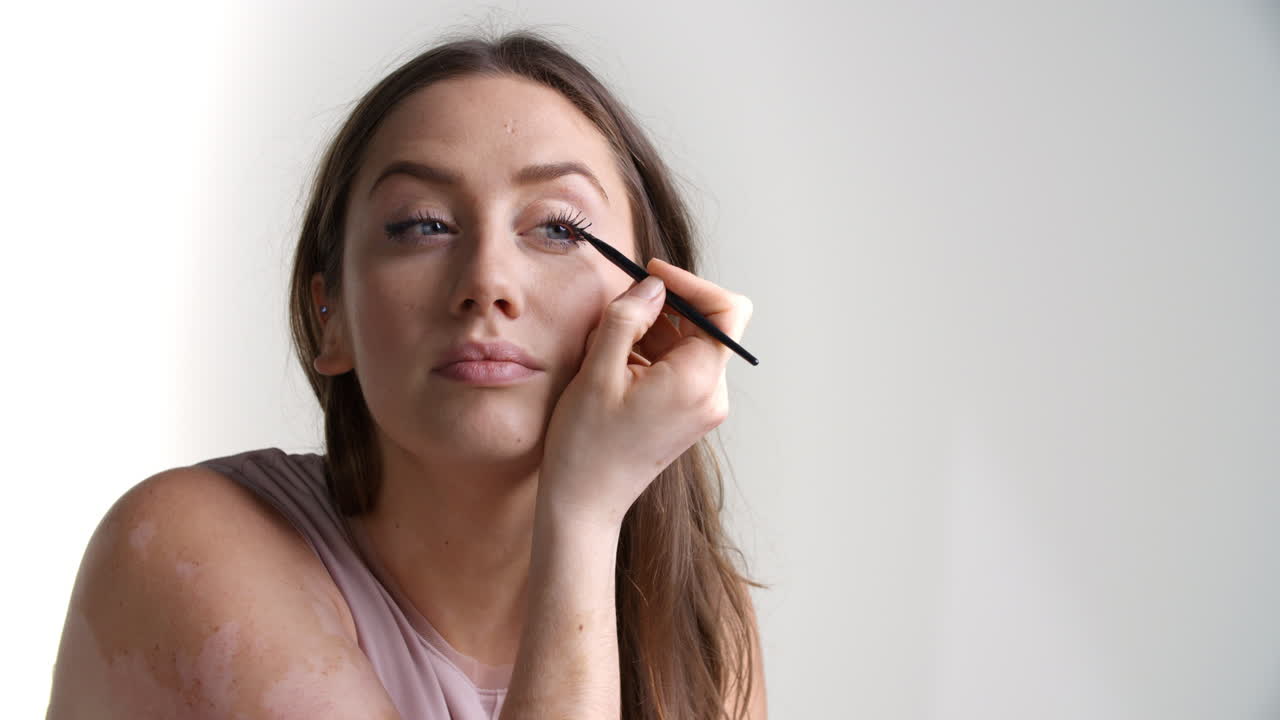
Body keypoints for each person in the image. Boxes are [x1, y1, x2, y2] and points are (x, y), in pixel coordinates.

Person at [47, 27, 765, 720]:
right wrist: (583, 515)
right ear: (330, 315)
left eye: (558, 228)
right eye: (421, 224)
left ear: (653, 307)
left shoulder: (698, 626)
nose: (486, 281)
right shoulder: (185, 546)